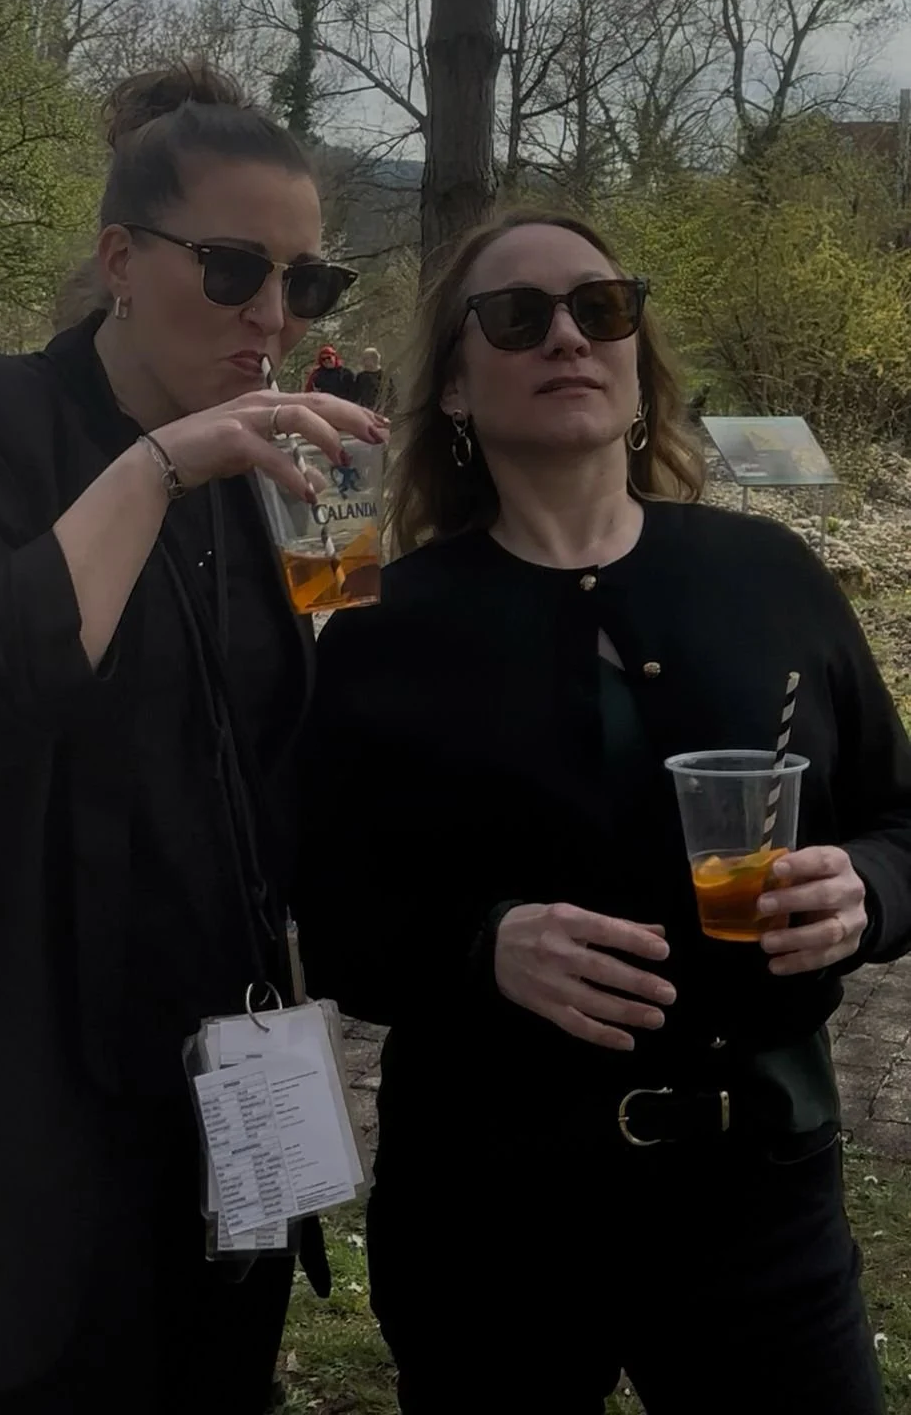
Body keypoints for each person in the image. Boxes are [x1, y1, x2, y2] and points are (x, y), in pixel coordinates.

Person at [0, 64, 387, 1415]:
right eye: (234, 269)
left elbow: (278, 770)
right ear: (119, 257)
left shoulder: (263, 490)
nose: (273, 319)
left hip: (197, 1136)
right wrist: (160, 463)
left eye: (307, 283)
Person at [298, 211, 911, 1415]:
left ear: (638, 362)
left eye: (602, 307)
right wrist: (484, 944)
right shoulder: (380, 624)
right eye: (518, 316)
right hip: (491, 1213)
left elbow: (902, 817)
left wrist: (869, 890)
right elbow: (332, 917)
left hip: (759, 1201)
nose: (567, 335)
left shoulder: (767, 575)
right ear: (459, 388)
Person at [353, 346, 394, 413]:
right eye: (363, 359)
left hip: (381, 414)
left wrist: (384, 409)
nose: (363, 361)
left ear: (374, 359)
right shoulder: (361, 376)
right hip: (364, 413)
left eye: (365, 359)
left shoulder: (385, 377)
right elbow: (355, 397)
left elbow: (392, 397)